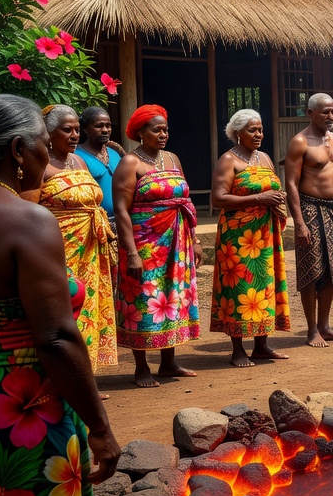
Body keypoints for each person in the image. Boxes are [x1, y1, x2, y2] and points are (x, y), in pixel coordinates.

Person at [0, 94, 121, 496]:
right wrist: (100, 427)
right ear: (19, 150)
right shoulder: (27, 222)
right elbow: (56, 339)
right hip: (20, 405)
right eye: (44, 145)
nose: (49, 156)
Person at [112, 105, 199, 387]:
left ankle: (168, 362)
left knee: (171, 297)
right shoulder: (129, 163)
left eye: (165, 129)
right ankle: (141, 367)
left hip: (177, 241)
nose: (163, 134)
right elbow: (122, 210)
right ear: (140, 133)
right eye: (156, 129)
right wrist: (132, 253)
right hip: (145, 243)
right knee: (143, 298)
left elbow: (185, 200)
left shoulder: (172, 158)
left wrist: (195, 240)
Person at [32, 105, 117, 377]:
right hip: (59, 249)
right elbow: (29, 208)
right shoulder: (40, 165)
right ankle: (65, 374)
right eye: (66, 130)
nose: (73, 135)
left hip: (91, 251)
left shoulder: (78, 162)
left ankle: (86, 372)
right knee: (65, 308)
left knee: (90, 308)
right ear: (49, 133)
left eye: (76, 130)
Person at [210, 109, 290, 367]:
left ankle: (262, 345)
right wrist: (259, 198)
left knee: (265, 286)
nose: (258, 134)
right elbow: (218, 199)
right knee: (240, 288)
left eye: (260, 129)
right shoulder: (228, 160)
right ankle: (237, 349)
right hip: (238, 236)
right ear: (237, 133)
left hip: (265, 233)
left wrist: (278, 198)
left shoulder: (264, 158)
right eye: (252, 130)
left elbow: (271, 189)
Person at [285, 93, 333, 348]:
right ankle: (312, 329)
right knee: (311, 270)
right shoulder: (300, 142)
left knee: (330, 270)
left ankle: (325, 326)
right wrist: (299, 223)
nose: (331, 116)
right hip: (311, 208)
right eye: (325, 111)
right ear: (310, 112)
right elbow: (291, 184)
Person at [74, 106, 122, 221]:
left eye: (108, 125)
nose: (105, 130)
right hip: (94, 222)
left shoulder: (115, 154)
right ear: (85, 128)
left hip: (120, 220)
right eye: (99, 126)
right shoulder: (76, 156)